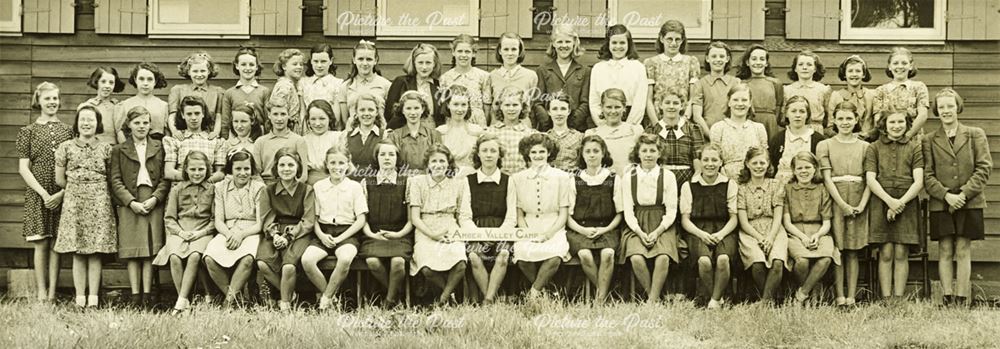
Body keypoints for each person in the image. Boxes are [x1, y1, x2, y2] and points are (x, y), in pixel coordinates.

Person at [923, 89, 991, 307]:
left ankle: (961, 299)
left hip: (969, 201)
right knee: (944, 249)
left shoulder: (975, 134)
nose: (946, 111)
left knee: (962, 248)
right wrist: (945, 196)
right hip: (941, 203)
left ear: (957, 107)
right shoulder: (929, 139)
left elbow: (984, 167)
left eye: (950, 106)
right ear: (936, 110)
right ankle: (946, 296)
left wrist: (963, 194)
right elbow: (927, 174)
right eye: (941, 107)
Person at [54, 106, 118, 307]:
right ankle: (80, 297)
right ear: (77, 123)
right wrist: (77, 188)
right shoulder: (65, 147)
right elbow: (59, 179)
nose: (86, 123)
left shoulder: (107, 148)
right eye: (83, 119)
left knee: (95, 251)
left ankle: (93, 299)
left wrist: (95, 189)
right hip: (74, 200)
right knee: (78, 250)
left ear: (98, 123)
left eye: (91, 119)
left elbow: (111, 177)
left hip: (100, 200)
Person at [18, 82, 73, 301]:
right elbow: (23, 168)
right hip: (38, 192)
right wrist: (43, 194)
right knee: (41, 242)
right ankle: (41, 292)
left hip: (62, 192)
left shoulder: (68, 130)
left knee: (56, 244)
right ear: (38, 101)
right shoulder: (28, 131)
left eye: (55, 99)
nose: (52, 103)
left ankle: (52, 293)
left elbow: (73, 165)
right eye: (48, 99)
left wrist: (61, 194)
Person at [109, 106, 169, 307]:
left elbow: (164, 178)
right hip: (130, 203)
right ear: (129, 125)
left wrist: (155, 199)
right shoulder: (119, 150)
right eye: (137, 123)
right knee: (133, 252)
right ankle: (135, 296)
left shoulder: (159, 147)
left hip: (152, 200)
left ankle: (148, 295)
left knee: (149, 250)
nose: (141, 126)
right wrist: (130, 202)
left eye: (145, 122)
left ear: (150, 124)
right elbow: (115, 180)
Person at [299, 147, 368, 310]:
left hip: (347, 233)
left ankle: (325, 300)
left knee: (345, 258)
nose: (337, 167)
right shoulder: (318, 186)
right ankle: (332, 298)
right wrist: (322, 235)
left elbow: (361, 219)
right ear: (327, 165)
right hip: (323, 231)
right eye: (333, 163)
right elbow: (313, 218)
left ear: (348, 164)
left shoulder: (355, 187)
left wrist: (339, 238)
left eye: (341, 163)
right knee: (307, 260)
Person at [865, 111, 924, 301]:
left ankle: (898, 298)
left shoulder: (914, 147)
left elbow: (919, 181)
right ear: (884, 125)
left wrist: (900, 203)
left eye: (901, 122)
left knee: (901, 251)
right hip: (881, 202)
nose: (896, 125)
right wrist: (889, 201)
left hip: (906, 202)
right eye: (892, 122)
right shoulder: (873, 148)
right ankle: (886, 297)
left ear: (907, 125)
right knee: (886, 251)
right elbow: (870, 179)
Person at [817, 101, 871, 307]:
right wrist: (842, 204)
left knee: (853, 250)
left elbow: (869, 179)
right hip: (835, 198)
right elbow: (827, 178)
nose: (845, 122)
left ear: (856, 120)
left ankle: (852, 296)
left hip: (858, 198)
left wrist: (862, 204)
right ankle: (839, 296)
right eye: (840, 118)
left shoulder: (865, 146)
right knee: (838, 248)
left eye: (849, 118)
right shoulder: (825, 145)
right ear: (834, 121)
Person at [507, 134, 573, 297]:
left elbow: (563, 213)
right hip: (528, 225)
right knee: (522, 255)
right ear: (527, 154)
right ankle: (547, 293)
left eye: (542, 152)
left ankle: (533, 294)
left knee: (554, 256)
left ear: (549, 153)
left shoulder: (562, 177)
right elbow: (519, 213)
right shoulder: (517, 178)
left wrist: (549, 233)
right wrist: (528, 233)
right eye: (534, 152)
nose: (538, 156)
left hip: (553, 225)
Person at [408, 145, 474, 305]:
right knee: (426, 268)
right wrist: (432, 235)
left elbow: (464, 214)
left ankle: (443, 300)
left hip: (450, 226)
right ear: (428, 164)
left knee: (460, 263)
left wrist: (463, 233)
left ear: (448, 163)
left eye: (442, 161)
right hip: (425, 228)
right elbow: (415, 218)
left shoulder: (459, 182)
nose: (438, 165)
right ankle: (450, 298)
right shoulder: (417, 182)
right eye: (434, 161)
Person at [619, 134, 679, 303]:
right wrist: (639, 232)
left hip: (661, 223)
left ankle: (652, 301)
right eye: (644, 150)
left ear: (659, 153)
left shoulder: (668, 176)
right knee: (636, 257)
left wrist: (658, 231)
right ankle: (656, 298)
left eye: (652, 150)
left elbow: (672, 210)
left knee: (663, 257)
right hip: (636, 224)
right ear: (637, 153)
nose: (648, 154)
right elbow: (628, 211)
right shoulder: (629, 176)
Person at [154, 151, 216, 312]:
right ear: (186, 170)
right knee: (174, 256)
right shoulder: (177, 189)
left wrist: (200, 233)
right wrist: (181, 233)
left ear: (207, 169)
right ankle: (185, 301)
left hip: (203, 232)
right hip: (180, 231)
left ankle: (180, 303)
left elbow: (215, 219)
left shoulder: (212, 189)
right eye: (193, 169)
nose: (197, 173)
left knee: (195, 255)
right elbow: (169, 218)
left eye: (201, 169)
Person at [679, 143, 738, 309]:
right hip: (697, 230)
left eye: (714, 160)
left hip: (724, 229)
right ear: (700, 161)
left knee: (723, 259)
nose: (710, 164)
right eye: (705, 160)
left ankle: (713, 301)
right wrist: (701, 234)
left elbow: (734, 218)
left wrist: (720, 234)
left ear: (721, 162)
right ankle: (717, 298)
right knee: (704, 261)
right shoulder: (689, 185)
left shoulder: (729, 184)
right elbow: (685, 219)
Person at [256, 149, 316, 310]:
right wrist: (275, 235)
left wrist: (288, 237)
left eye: (291, 164)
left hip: (299, 232)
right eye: (282, 165)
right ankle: (292, 294)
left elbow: (309, 220)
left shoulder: (306, 189)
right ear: (276, 167)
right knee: (263, 262)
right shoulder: (268, 190)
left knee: (289, 265)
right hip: (275, 231)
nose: (286, 169)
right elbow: (267, 218)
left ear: (298, 167)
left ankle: (285, 305)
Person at [204, 150, 265, 304]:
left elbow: (260, 223)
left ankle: (228, 303)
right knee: (209, 258)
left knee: (247, 259)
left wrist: (241, 235)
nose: (243, 173)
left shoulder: (259, 187)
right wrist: (229, 234)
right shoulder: (220, 187)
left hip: (250, 231)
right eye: (238, 169)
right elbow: (218, 220)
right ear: (231, 169)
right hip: (227, 230)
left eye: (247, 169)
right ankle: (238, 300)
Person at [567, 135, 622, 303]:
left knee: (608, 254)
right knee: (585, 255)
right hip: (579, 229)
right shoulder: (575, 179)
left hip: (607, 228)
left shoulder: (612, 178)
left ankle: (598, 300)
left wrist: (605, 229)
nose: (592, 155)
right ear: (582, 155)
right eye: (588, 151)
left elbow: (620, 213)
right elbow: (568, 216)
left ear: (603, 153)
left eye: (596, 151)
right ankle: (603, 295)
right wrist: (582, 230)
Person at [360, 141, 413, 307]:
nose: (387, 158)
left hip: (400, 234)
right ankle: (397, 295)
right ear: (377, 158)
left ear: (397, 158)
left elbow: (411, 221)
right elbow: (362, 219)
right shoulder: (366, 182)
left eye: (391, 154)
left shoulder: (408, 182)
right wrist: (371, 234)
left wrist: (398, 234)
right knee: (372, 262)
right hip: (374, 234)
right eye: (383, 154)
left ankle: (389, 302)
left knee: (398, 263)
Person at [783, 152, 836, 306]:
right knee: (802, 262)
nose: (804, 171)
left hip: (819, 230)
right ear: (793, 170)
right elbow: (787, 222)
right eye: (799, 168)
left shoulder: (822, 189)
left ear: (815, 169)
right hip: (795, 231)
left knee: (826, 258)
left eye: (808, 167)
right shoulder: (787, 189)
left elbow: (827, 222)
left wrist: (817, 236)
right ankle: (812, 293)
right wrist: (803, 237)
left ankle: (801, 294)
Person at [737, 146, 787, 302]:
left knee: (777, 262)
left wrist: (771, 237)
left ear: (768, 164)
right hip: (751, 231)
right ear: (747, 164)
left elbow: (778, 215)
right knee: (757, 262)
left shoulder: (776, 185)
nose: (759, 166)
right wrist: (759, 237)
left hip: (774, 228)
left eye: (762, 163)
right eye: (755, 163)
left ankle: (765, 303)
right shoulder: (741, 189)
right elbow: (743, 222)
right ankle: (771, 299)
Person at [466, 134, 512, 303]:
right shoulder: (468, 181)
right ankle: (491, 299)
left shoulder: (508, 180)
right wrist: (478, 234)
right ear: (478, 154)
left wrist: (499, 234)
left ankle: (487, 300)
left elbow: (511, 216)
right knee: (474, 257)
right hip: (476, 230)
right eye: (484, 150)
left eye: (493, 150)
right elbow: (464, 216)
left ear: (499, 154)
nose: (489, 154)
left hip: (501, 230)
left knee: (504, 254)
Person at [644, 19, 704, 130]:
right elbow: (648, 99)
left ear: (682, 41)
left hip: (682, 121)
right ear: (662, 39)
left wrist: (684, 121)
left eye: (677, 39)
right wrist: (657, 125)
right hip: (658, 120)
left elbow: (692, 97)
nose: (673, 43)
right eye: (669, 39)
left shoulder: (691, 62)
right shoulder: (651, 63)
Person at [534, 24, 591, 132]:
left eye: (568, 42)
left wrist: (570, 124)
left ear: (574, 43)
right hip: (549, 129)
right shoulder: (542, 70)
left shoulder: (584, 71)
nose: (563, 45)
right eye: (560, 42)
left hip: (576, 129)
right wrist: (550, 123)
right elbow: (538, 103)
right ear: (554, 44)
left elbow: (585, 102)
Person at [589, 24, 648, 126]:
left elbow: (640, 102)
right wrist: (603, 125)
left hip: (630, 119)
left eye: (622, 43)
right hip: (604, 120)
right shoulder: (598, 68)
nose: (618, 47)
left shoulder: (638, 68)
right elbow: (594, 102)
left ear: (628, 44)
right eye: (614, 43)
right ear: (608, 44)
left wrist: (628, 127)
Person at [646, 88, 705, 185]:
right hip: (660, 179)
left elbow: (698, 164)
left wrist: (692, 185)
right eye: (667, 103)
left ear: (682, 106)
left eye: (676, 103)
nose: (671, 106)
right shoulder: (652, 130)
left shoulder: (693, 129)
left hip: (687, 179)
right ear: (661, 105)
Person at [709, 84, 768, 179]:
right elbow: (714, 158)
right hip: (726, 179)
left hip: (753, 178)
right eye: (735, 100)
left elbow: (763, 158)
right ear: (729, 102)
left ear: (750, 103)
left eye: (744, 100)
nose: (740, 104)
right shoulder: (718, 128)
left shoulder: (758, 128)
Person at [163, 96, 226, 183]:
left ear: (203, 113)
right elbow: (169, 172)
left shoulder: (214, 141)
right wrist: (193, 178)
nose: (193, 118)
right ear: (182, 115)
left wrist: (205, 180)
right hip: (182, 190)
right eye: (189, 114)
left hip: (208, 188)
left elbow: (220, 173)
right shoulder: (175, 140)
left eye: (197, 113)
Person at [873, 47, 930, 140]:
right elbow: (878, 119)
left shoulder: (919, 87)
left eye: (904, 63)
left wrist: (907, 136)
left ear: (910, 66)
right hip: (888, 140)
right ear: (889, 66)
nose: (900, 66)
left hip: (913, 140)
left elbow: (923, 115)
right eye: (895, 63)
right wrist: (892, 136)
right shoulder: (880, 91)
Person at [484, 32, 539, 127]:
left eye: (514, 49)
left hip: (523, 128)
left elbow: (533, 107)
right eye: (506, 49)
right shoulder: (492, 76)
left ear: (519, 51)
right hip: (497, 127)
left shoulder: (531, 76)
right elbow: (488, 107)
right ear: (500, 51)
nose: (510, 53)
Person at [386, 43, 444, 130]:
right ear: (414, 63)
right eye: (420, 63)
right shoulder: (401, 82)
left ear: (434, 64)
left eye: (428, 63)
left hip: (432, 133)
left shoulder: (438, 86)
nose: (424, 67)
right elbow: (389, 113)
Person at [768, 95, 825, 183]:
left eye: (802, 111)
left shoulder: (817, 139)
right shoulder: (778, 139)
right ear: (786, 113)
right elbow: (772, 167)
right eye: (793, 111)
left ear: (807, 115)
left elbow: (820, 169)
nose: (798, 115)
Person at [586, 88, 644, 174]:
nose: (613, 111)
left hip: (629, 181)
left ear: (624, 108)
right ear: (602, 107)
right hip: (605, 183)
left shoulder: (635, 131)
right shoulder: (592, 133)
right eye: (609, 107)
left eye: (617, 107)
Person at [168, 51, 225, 138]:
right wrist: (175, 131)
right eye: (195, 71)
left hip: (209, 136)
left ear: (209, 71)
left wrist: (216, 132)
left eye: (202, 71)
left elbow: (218, 115)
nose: (199, 75)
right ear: (189, 72)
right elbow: (173, 115)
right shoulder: (178, 90)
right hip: (184, 136)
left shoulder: (217, 92)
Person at [253, 98, 310, 184]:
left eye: (283, 114)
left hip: (291, 186)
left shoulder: (298, 140)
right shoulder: (260, 142)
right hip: (267, 186)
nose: (279, 119)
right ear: (269, 115)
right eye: (275, 114)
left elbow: (304, 175)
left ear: (289, 115)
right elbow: (256, 174)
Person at [338, 40, 391, 128]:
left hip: (379, 136)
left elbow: (389, 117)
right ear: (354, 60)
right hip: (353, 135)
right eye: (360, 59)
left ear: (376, 60)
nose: (365, 63)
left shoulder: (386, 85)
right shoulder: (346, 86)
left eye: (369, 59)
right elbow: (344, 120)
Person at [440, 34, 490, 127]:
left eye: (467, 51)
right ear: (453, 52)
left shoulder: (483, 76)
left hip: (477, 123)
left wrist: (483, 125)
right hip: (453, 123)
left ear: (473, 53)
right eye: (460, 51)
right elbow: (444, 108)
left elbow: (487, 107)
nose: (463, 55)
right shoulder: (445, 78)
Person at [735, 44, 783, 139]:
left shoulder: (775, 83)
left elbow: (778, 105)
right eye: (754, 59)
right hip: (749, 121)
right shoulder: (742, 83)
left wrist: (772, 121)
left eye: (762, 59)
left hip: (770, 123)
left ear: (766, 63)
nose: (758, 62)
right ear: (747, 62)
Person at [221, 47, 271, 137]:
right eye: (243, 64)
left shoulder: (264, 91)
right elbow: (225, 122)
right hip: (236, 138)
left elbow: (268, 121)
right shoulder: (229, 93)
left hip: (259, 138)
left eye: (251, 65)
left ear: (256, 67)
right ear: (237, 66)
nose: (247, 68)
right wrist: (226, 141)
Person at [114, 62, 168, 142]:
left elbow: (167, 133)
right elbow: (119, 132)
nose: (145, 83)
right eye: (141, 79)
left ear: (155, 81)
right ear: (135, 79)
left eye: (149, 79)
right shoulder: (125, 105)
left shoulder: (163, 106)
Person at [691, 41, 740, 129]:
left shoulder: (735, 83)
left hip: (731, 133)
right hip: (707, 134)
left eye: (721, 56)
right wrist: (711, 136)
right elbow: (697, 116)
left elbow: (739, 111)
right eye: (714, 56)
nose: (718, 60)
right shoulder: (700, 84)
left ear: (727, 59)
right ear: (707, 58)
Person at [437, 85, 484, 176]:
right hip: (448, 177)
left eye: (463, 105)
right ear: (448, 105)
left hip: (472, 176)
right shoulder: (440, 132)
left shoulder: (477, 131)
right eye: (455, 104)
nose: (460, 109)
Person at [487, 86, 534, 175]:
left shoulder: (529, 134)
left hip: (522, 180)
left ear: (522, 107)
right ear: (500, 106)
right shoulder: (491, 132)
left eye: (515, 105)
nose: (511, 109)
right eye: (507, 105)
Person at [784, 50, 832, 134]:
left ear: (815, 69)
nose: (804, 67)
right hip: (794, 130)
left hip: (816, 130)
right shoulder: (787, 90)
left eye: (809, 65)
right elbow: (784, 116)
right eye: (800, 64)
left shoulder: (823, 90)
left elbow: (829, 115)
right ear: (795, 68)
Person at [829, 55, 875, 140]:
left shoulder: (871, 95)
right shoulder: (836, 96)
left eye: (858, 71)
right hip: (842, 141)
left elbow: (877, 125)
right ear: (844, 75)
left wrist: (867, 135)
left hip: (867, 141)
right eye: (850, 71)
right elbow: (830, 126)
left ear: (863, 74)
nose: (854, 74)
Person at [77, 66, 126, 145]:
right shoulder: (87, 106)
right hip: (92, 149)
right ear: (96, 82)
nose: (107, 86)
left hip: (113, 149)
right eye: (103, 81)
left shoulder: (118, 107)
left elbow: (121, 133)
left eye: (111, 82)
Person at [344, 92, 386, 179]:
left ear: (377, 112)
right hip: (353, 183)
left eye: (370, 110)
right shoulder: (346, 136)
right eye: (362, 110)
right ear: (356, 112)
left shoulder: (385, 135)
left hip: (375, 183)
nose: (366, 113)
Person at [303, 100, 344, 184]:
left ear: (329, 118)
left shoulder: (338, 137)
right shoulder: (304, 140)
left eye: (322, 118)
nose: (317, 123)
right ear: (308, 120)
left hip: (334, 182)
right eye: (313, 119)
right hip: (310, 184)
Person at [301, 43, 344, 123]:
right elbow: (302, 112)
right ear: (311, 61)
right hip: (308, 128)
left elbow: (337, 116)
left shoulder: (338, 84)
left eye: (323, 61)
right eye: (316, 61)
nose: (319, 65)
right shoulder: (303, 83)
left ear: (331, 61)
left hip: (330, 128)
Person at [268, 49, 306, 133]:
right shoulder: (284, 86)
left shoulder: (294, 85)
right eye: (295, 64)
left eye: (301, 64)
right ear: (284, 66)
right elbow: (278, 113)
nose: (299, 67)